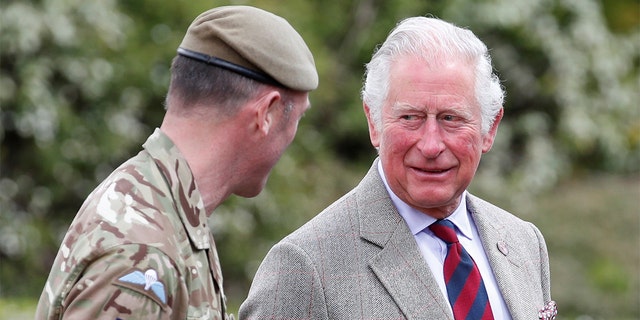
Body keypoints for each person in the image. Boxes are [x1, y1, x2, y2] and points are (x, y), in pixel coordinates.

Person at [240, 16, 555, 320]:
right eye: (410, 118)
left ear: (489, 129)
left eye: (451, 119)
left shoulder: (523, 243)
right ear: (373, 123)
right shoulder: (303, 268)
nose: (431, 145)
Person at [35, 5, 317, 320]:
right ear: (267, 113)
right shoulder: (143, 256)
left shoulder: (165, 210)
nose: (293, 135)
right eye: (299, 117)